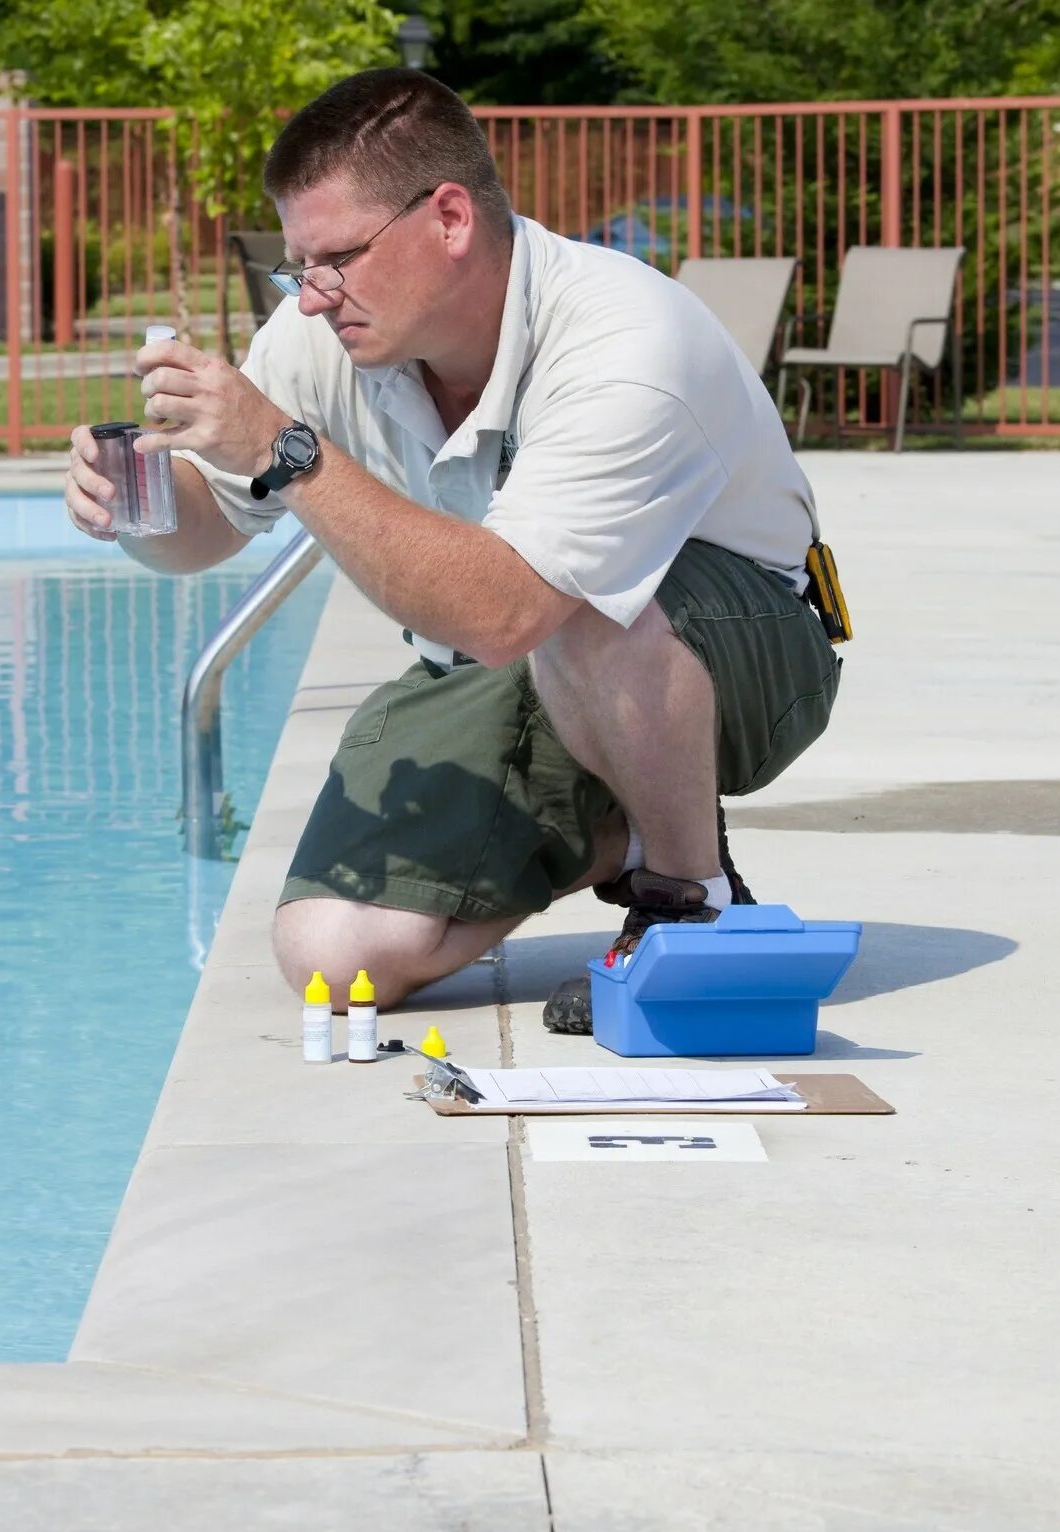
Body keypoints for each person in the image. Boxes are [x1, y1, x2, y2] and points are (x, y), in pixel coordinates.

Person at [63, 68, 843, 1034]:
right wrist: (132, 508)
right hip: (514, 660)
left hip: (738, 657)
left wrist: (286, 451)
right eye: (295, 265)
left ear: (450, 219)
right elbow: (210, 527)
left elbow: (508, 609)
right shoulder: (326, 334)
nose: (310, 298)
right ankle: (608, 826)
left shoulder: (624, 339)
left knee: (582, 604)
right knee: (331, 961)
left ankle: (688, 893)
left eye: (335, 259)